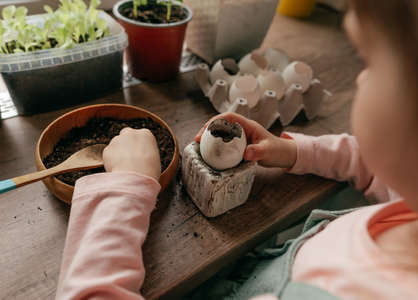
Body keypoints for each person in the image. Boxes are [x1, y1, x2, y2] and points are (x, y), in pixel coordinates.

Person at [55, 0, 418, 299]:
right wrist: (294, 152)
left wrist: (124, 190)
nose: (361, 77)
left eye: (368, 61)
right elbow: (372, 162)